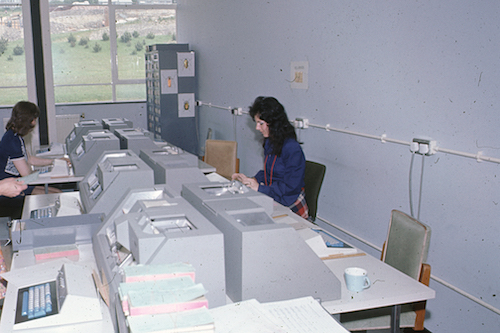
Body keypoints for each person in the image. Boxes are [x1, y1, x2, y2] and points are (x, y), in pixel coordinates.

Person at [232, 96, 309, 219]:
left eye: (260, 123)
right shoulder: (270, 142)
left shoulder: (292, 148)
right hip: (273, 195)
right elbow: (270, 173)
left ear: (274, 123)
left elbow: (290, 187)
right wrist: (252, 180)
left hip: (289, 202)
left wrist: (260, 188)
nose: (257, 128)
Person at [0, 101, 66, 217]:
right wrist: (45, 173)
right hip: (11, 188)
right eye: (34, 119)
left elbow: (30, 159)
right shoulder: (12, 141)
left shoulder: (15, 136)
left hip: (19, 182)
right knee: (57, 195)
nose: (34, 123)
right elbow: (27, 174)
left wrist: (55, 161)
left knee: (59, 193)